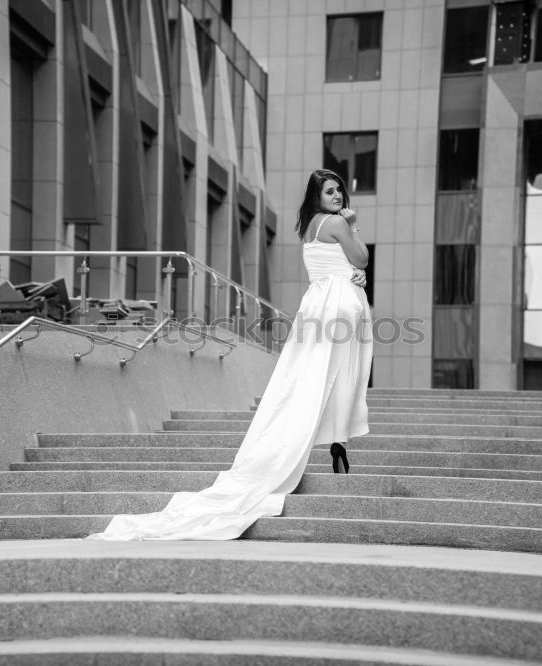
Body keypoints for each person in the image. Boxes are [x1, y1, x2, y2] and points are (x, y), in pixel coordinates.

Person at [87, 169, 373, 540]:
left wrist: (352, 268)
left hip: (318, 303)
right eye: (329, 191)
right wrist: (353, 227)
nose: (336, 196)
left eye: (338, 191)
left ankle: (325, 441)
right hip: (338, 305)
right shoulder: (337, 222)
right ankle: (336, 441)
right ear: (316, 197)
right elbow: (362, 258)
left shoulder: (309, 228)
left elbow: (342, 265)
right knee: (338, 377)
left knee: (310, 376)